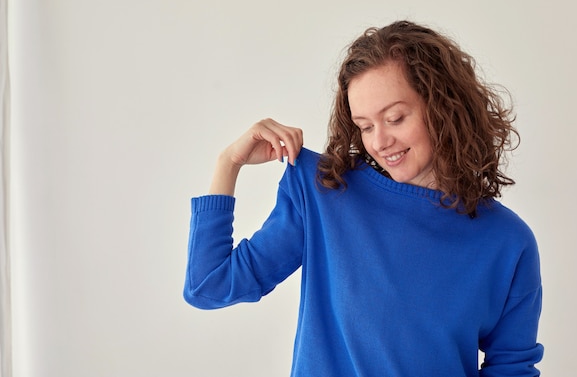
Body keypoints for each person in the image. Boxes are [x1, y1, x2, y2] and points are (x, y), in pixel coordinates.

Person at [184, 20, 543, 376]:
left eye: (396, 118)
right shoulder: (324, 190)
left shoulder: (508, 241)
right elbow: (209, 286)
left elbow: (511, 368)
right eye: (365, 126)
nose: (380, 141)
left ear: (443, 107)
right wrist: (229, 163)